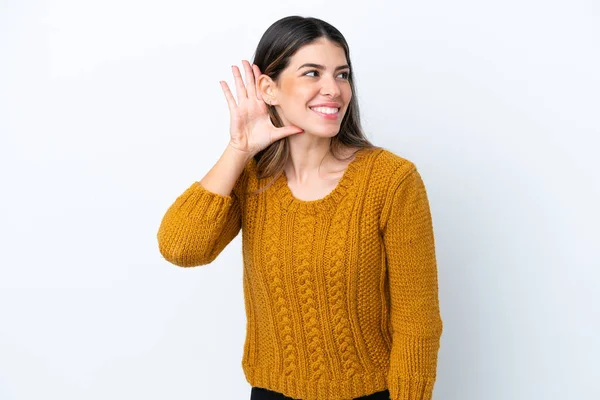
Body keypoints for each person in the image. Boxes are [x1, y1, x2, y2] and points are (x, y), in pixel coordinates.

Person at [157, 15, 443, 400]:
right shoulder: (251, 179)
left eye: (342, 75)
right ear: (268, 89)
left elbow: (417, 321)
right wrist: (239, 149)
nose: (334, 90)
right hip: (272, 391)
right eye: (312, 73)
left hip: (370, 393)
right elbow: (181, 247)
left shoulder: (392, 180)